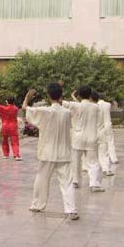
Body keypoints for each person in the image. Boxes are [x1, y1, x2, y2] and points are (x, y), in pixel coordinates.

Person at [22, 84, 79, 221]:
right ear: (61, 95)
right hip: (64, 152)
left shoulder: (44, 111)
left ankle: (37, 205)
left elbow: (26, 109)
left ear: (48, 96)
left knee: (42, 179)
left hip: (47, 152)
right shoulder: (67, 113)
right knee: (67, 182)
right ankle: (71, 210)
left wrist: (27, 97)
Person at [63, 86, 105, 192]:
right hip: (91, 136)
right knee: (93, 162)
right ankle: (94, 184)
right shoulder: (96, 107)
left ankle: (75, 181)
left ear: (79, 95)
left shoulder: (75, 106)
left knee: (76, 160)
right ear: (90, 95)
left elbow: (60, 102)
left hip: (78, 136)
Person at [0, 90, 22, 161]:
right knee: (15, 142)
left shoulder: (4, 109)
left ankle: (5, 154)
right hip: (13, 126)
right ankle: (16, 155)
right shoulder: (16, 109)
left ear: (7, 101)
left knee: (5, 141)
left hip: (5, 126)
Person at [91, 91, 113, 176]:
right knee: (104, 152)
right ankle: (106, 169)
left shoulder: (89, 108)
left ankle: (90, 169)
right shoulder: (104, 106)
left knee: (91, 155)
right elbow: (107, 121)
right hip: (102, 132)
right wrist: (108, 133)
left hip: (91, 133)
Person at [101, 94, 118, 164]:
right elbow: (114, 104)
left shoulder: (95, 105)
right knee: (110, 142)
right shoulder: (107, 104)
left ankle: (102, 158)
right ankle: (113, 158)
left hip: (99, 126)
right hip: (108, 125)